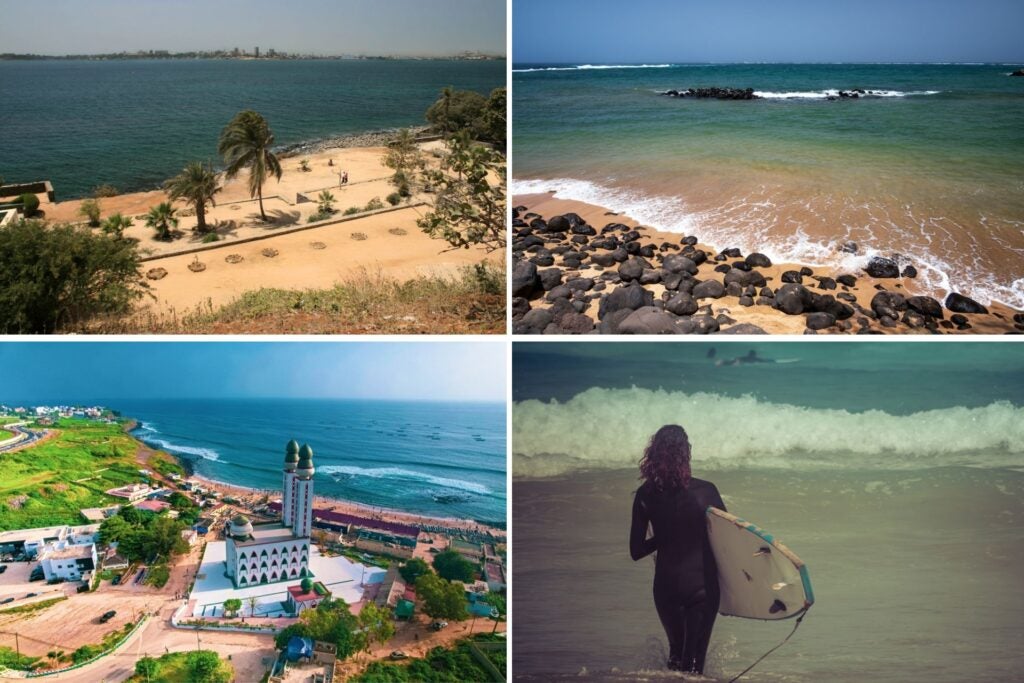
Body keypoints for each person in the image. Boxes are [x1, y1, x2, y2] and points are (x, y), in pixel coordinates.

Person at [630, 424, 725, 674]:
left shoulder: (645, 495)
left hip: (666, 589)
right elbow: (728, 541)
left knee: (675, 657)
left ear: (654, 453)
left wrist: (662, 537)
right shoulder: (706, 492)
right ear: (686, 453)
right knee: (693, 665)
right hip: (701, 588)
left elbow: (636, 550)